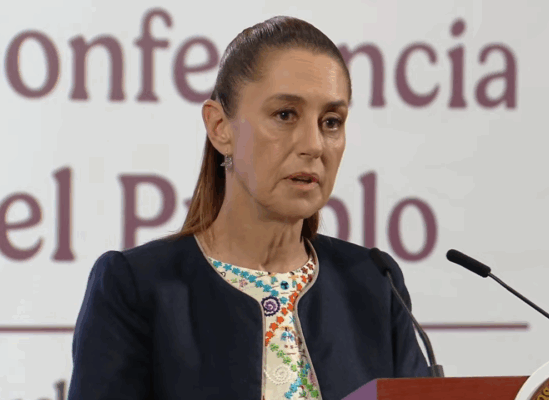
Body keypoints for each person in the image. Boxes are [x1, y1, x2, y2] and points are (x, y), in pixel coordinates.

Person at [67, 16, 430, 400]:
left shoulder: (375, 283)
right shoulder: (136, 287)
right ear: (220, 127)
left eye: (331, 121)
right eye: (285, 115)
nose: (314, 145)